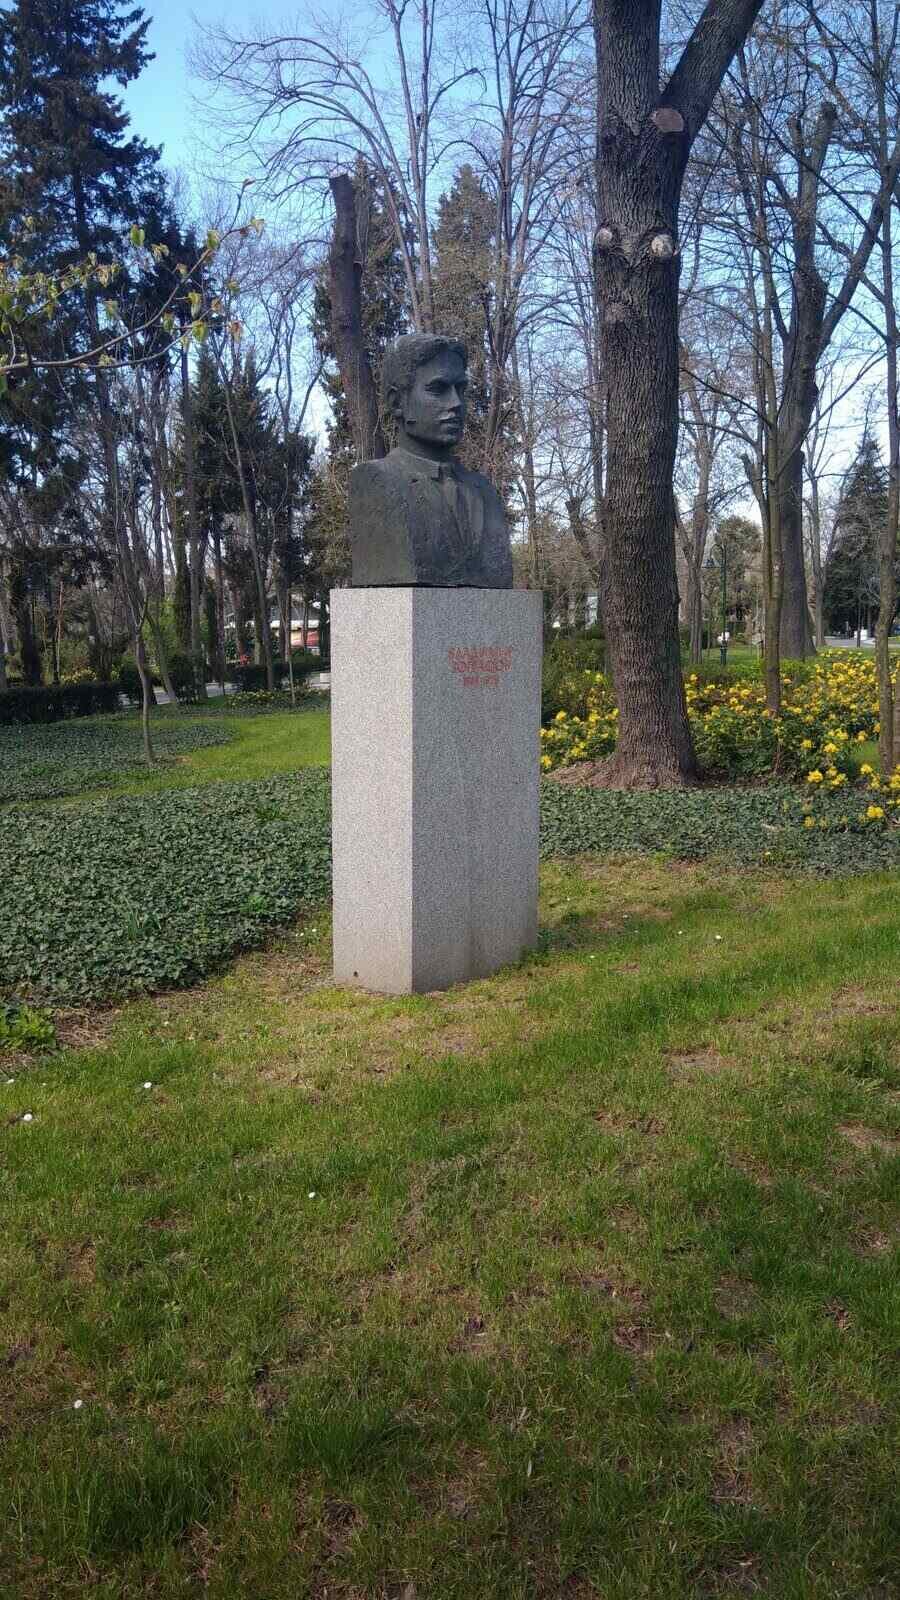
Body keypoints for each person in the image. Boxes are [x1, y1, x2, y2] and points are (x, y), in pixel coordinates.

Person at [348, 334, 513, 587]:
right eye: (438, 389)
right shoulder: (375, 483)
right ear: (397, 403)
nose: (456, 403)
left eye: (461, 390)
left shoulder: (486, 492)